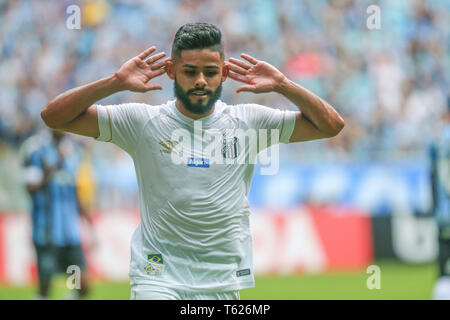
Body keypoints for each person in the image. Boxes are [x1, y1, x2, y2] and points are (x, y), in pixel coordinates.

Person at [40, 22, 344, 300]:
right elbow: (53, 117)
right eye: (190, 71)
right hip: (156, 278)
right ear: (171, 71)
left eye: (210, 72)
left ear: (223, 73)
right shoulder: (142, 121)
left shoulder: (250, 122)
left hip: (222, 282)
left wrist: (283, 84)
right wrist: (115, 82)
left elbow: (331, 125)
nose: (201, 81)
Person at [21, 129, 91, 299]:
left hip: (70, 232)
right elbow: (30, 187)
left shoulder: (73, 149)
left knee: (82, 284)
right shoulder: (35, 148)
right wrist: (54, 166)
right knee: (45, 287)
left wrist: (88, 222)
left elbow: (72, 188)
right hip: (46, 232)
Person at [429, 97, 450, 300]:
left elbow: (432, 179)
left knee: (445, 273)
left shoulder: (438, 139)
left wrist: (435, 210)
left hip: (445, 214)